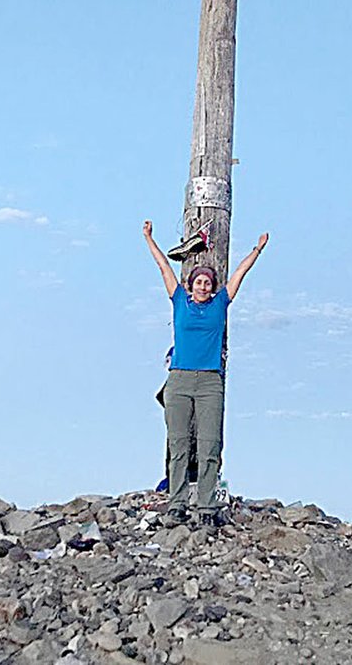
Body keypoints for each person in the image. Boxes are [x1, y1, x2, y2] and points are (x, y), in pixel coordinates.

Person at [143, 219, 269, 527]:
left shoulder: (219, 304)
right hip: (179, 379)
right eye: (198, 282)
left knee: (210, 443)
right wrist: (149, 239)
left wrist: (257, 249)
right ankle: (176, 504)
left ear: (213, 288)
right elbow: (163, 268)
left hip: (210, 380)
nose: (203, 286)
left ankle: (207, 507)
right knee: (179, 443)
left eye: (207, 283)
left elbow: (239, 274)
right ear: (191, 285)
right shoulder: (179, 302)